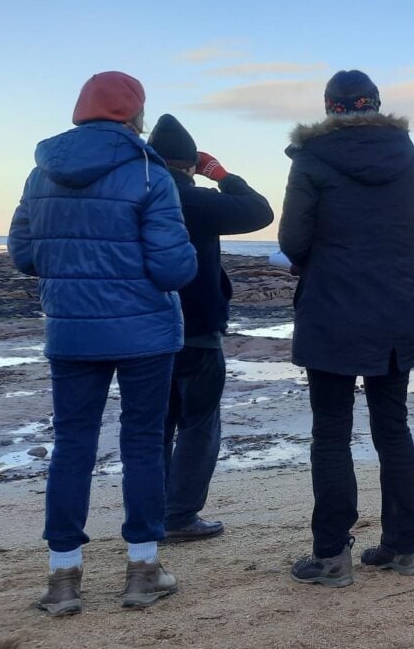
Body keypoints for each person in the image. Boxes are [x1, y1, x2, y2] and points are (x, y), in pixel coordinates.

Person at [8, 72, 197, 614]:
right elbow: (173, 267)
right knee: (141, 443)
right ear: (134, 115)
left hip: (69, 332)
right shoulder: (146, 171)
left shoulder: (39, 173)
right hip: (144, 334)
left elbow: (24, 255)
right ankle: (143, 569)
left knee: (72, 446)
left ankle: (63, 578)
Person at [279, 70, 414, 587]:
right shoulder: (412, 157)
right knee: (392, 430)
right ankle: (403, 546)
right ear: (377, 106)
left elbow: (292, 239)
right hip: (399, 311)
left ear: (330, 109)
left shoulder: (310, 158)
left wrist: (323, 256)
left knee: (331, 435)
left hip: (332, 313)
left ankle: (331, 556)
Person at [146, 114, 274, 542]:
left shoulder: (136, 194)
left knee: (155, 424)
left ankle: (151, 514)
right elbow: (260, 212)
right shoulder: (194, 201)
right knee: (199, 423)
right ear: (188, 165)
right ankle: (179, 515)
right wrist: (221, 175)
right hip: (197, 326)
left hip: (143, 330)